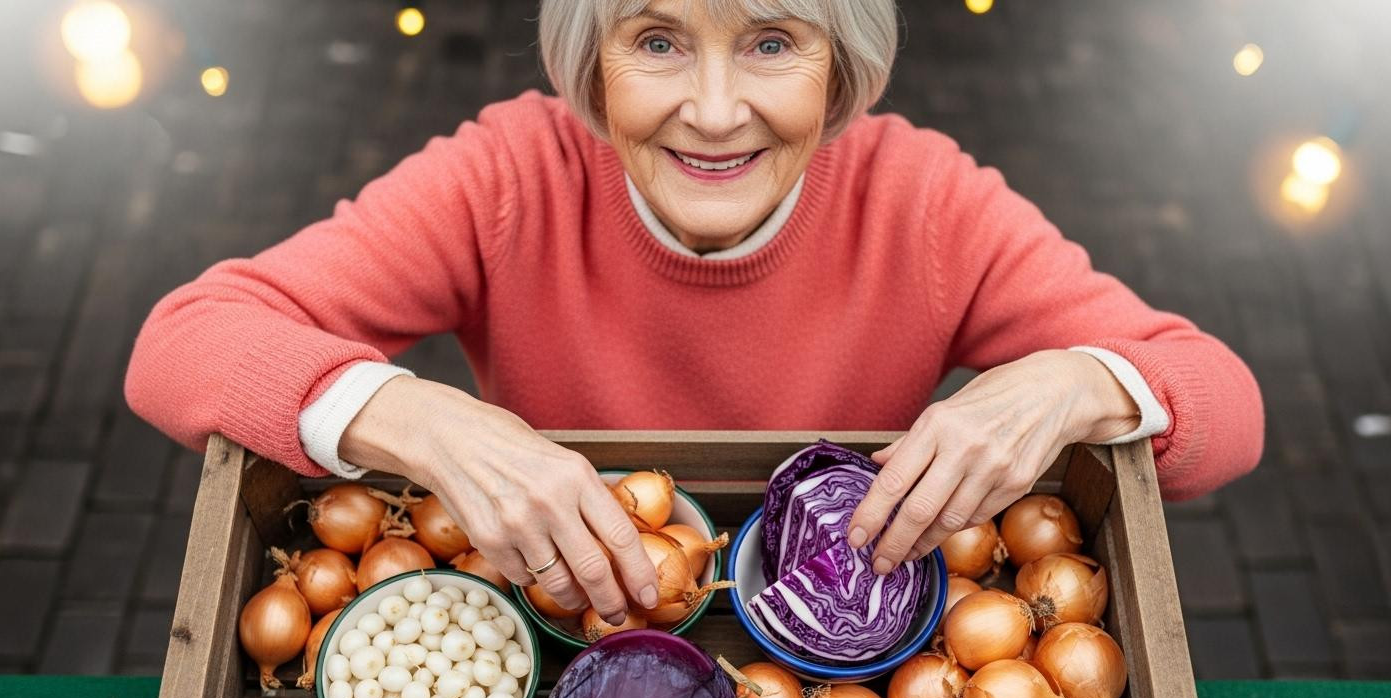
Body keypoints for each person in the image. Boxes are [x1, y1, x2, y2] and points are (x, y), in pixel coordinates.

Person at [126, 0, 1263, 629]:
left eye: (771, 42)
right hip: (566, 607)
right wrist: (425, 420)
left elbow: (1225, 407)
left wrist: (1075, 381)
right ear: (592, 61)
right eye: (658, 39)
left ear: (838, 69)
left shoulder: (921, 201)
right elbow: (183, 341)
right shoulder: (511, 175)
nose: (713, 114)